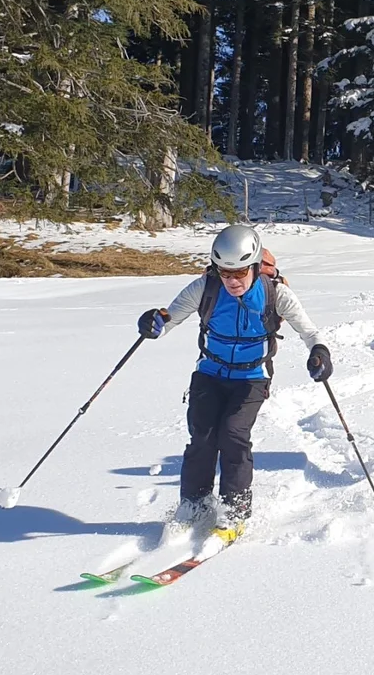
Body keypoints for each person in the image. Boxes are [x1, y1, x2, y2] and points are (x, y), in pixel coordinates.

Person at [135, 223, 332, 534]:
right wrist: (153, 323)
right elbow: (169, 319)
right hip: (209, 373)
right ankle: (195, 503)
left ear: (253, 266)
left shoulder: (275, 293)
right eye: (225, 272)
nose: (232, 280)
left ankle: (235, 507)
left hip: (252, 377)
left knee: (233, 434)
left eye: (240, 273)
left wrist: (319, 352)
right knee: (202, 436)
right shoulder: (206, 288)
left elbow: (310, 331)